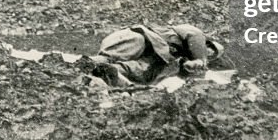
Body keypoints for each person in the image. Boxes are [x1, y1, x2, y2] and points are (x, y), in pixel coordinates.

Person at [87, 24, 224, 87]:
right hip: (133, 37)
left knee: (143, 73)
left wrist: (191, 68)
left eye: (213, 56)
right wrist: (201, 59)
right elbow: (195, 35)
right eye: (210, 49)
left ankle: (108, 70)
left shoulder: (176, 59)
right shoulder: (194, 35)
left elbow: (186, 76)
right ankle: (91, 62)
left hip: (152, 57)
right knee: (135, 43)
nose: (210, 54)